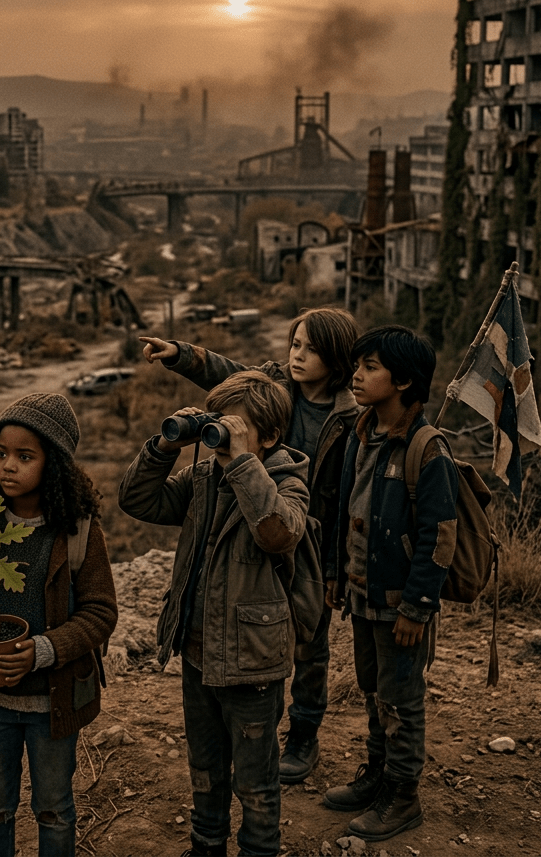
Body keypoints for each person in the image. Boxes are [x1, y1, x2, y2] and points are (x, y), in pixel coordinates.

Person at [140, 306, 359, 782]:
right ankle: (265, 733)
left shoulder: (350, 416)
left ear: (338, 359)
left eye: (312, 349)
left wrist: (339, 569)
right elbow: (227, 375)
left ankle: (304, 734)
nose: (298, 356)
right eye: (295, 344)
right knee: (264, 636)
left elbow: (349, 498)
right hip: (257, 522)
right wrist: (179, 354)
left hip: (309, 536)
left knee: (310, 647)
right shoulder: (275, 387)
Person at [119, 370, 309, 857]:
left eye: (234, 428)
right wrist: (164, 447)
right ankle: (206, 844)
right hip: (199, 652)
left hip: (253, 664)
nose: (219, 437)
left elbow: (278, 533)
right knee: (203, 764)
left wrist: (244, 462)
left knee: (255, 779)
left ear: (268, 437)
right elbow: (138, 500)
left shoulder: (289, 484)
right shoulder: (203, 478)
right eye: (215, 424)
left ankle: (259, 849)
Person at [0, 393, 117, 857]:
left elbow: (100, 612)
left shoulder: (77, 531)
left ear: (52, 463)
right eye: (0, 454)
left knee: (54, 808)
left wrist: (42, 650)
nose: (8, 466)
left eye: (24, 456)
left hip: (51, 705)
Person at [323, 325, 459, 843]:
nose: (356, 376)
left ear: (403, 381)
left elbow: (438, 536)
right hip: (362, 594)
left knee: (401, 698)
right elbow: (345, 509)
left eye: (370, 367)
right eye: (358, 366)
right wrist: (336, 573)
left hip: (401, 605)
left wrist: (418, 607)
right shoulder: (361, 433)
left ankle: (403, 796)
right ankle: (378, 776)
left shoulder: (427, 449)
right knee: (374, 689)